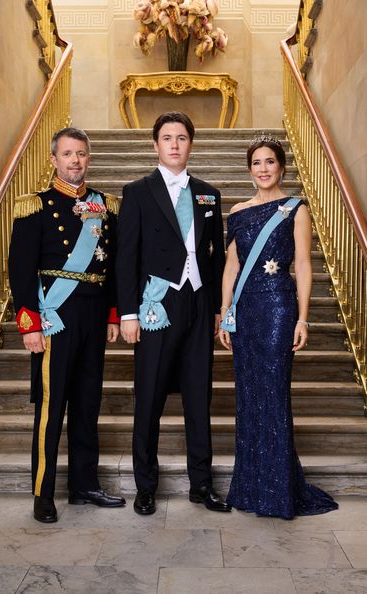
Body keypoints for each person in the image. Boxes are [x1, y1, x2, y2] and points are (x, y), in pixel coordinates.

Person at [9, 127, 126, 523]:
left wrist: (112, 313)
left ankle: (84, 485)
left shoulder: (106, 207)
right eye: (68, 154)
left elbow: (111, 267)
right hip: (54, 318)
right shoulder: (35, 207)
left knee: (88, 404)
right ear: (54, 159)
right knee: (51, 406)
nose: (75, 161)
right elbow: (21, 271)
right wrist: (29, 325)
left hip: (94, 317)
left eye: (82, 154)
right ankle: (43, 492)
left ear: (88, 159)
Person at [116, 111, 231, 515]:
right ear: (155, 145)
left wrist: (220, 308)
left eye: (182, 137)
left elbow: (216, 258)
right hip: (155, 307)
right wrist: (127, 313)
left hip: (199, 304)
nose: (175, 144)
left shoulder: (208, 193)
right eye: (167, 138)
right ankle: (145, 486)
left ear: (191, 144)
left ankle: (202, 485)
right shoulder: (137, 192)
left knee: (199, 397)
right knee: (148, 398)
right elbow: (125, 258)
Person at [219, 134, 338, 519]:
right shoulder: (237, 212)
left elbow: (303, 265)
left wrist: (303, 316)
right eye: (257, 162)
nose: (264, 169)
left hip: (278, 309)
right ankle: (251, 487)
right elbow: (232, 267)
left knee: (272, 395)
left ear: (281, 166)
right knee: (249, 398)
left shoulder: (295, 208)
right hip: (245, 311)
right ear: (249, 168)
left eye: (270, 161)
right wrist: (225, 312)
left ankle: (279, 491)